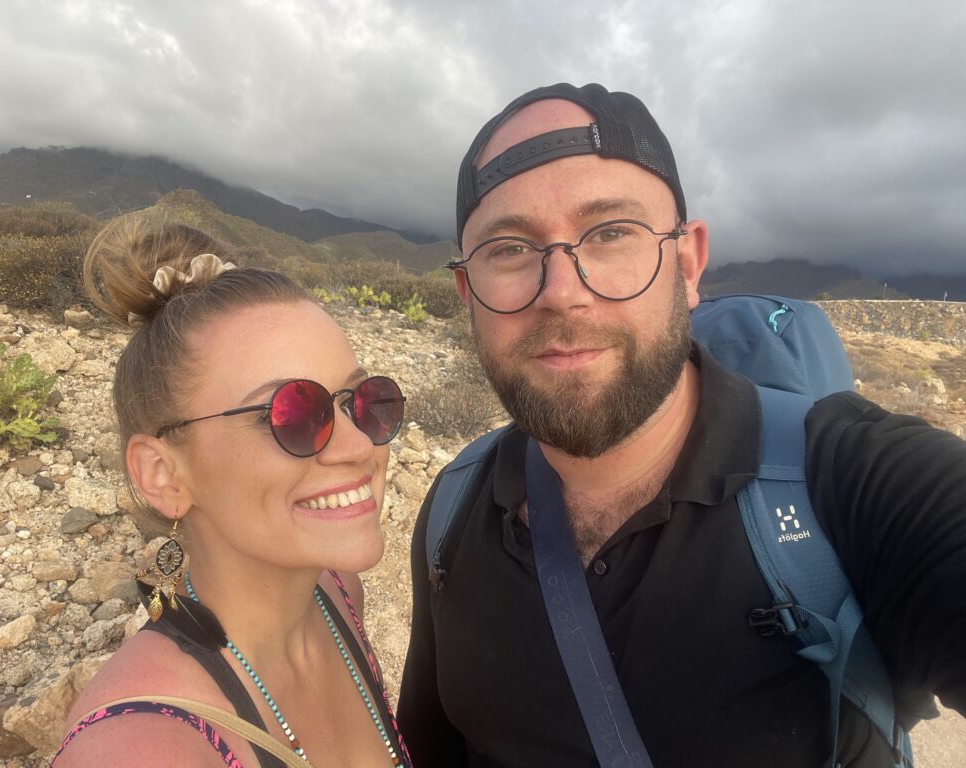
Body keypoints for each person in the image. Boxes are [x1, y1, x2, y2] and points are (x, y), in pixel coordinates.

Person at [397, 82, 966, 767]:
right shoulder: (454, 509)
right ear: (467, 292)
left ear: (688, 263)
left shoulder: (861, 484)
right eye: (510, 248)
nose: (561, 293)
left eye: (611, 233)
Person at [53, 217, 414, 767]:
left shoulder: (339, 594)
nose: (359, 445)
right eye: (291, 414)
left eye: (362, 400)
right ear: (164, 475)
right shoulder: (140, 750)